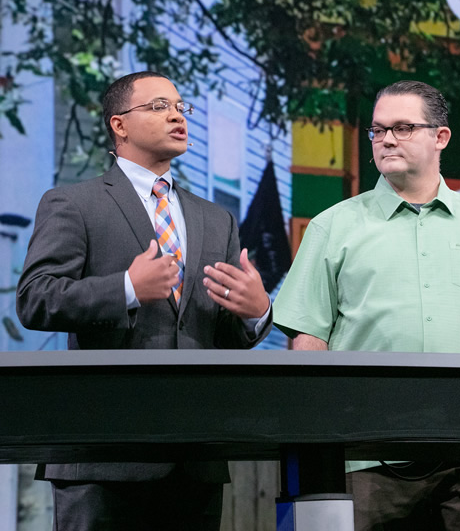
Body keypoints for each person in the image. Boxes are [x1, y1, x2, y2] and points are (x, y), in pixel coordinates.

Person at [273, 80, 460, 530]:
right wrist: (326, 439)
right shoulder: (332, 226)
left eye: (402, 127)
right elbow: (308, 338)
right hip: (365, 456)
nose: (386, 140)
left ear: (441, 137)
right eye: (378, 131)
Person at [16, 71, 272, 531]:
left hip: (194, 459)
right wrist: (127, 288)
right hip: (104, 453)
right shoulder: (74, 203)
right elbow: (36, 297)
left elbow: (224, 336)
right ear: (120, 125)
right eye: (158, 106)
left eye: (180, 106)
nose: (176, 114)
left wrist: (256, 313)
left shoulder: (216, 219)